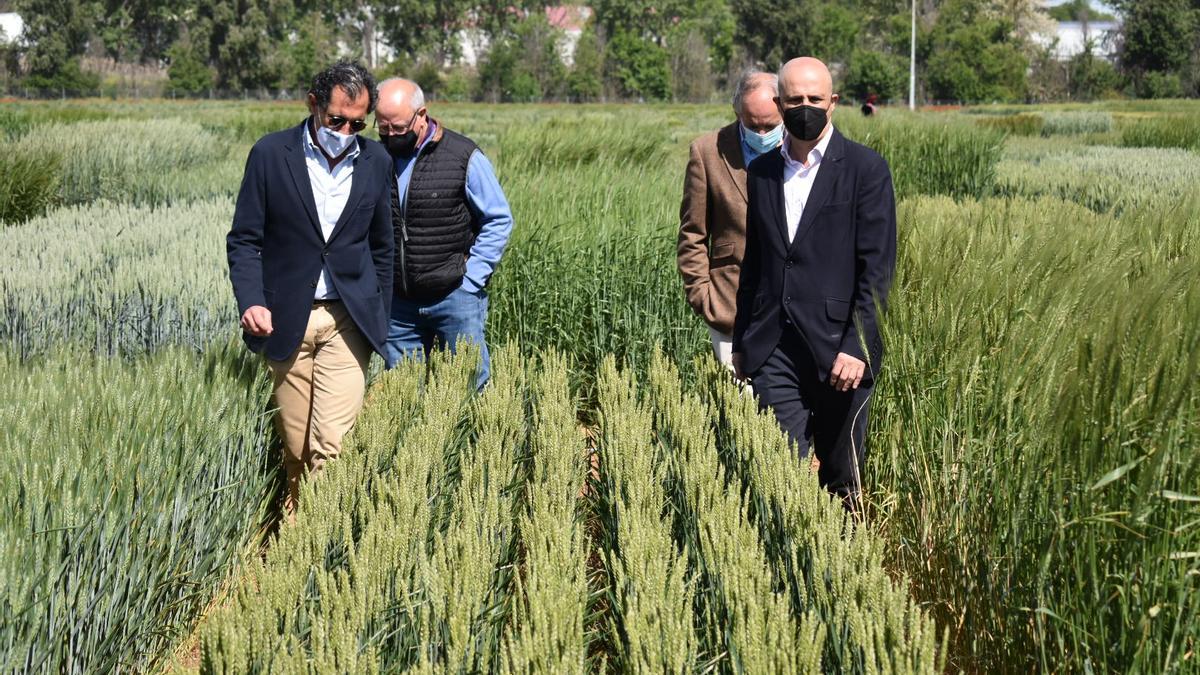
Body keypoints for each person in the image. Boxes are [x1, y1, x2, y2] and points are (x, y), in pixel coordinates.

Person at [227, 62, 394, 517]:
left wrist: (378, 313)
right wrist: (252, 301)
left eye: (358, 123)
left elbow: (383, 246)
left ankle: (315, 542)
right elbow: (244, 240)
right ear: (313, 103)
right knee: (297, 446)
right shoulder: (269, 154)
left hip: (347, 321)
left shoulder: (376, 161)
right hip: (286, 319)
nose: (345, 130)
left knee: (332, 446)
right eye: (336, 119)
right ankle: (298, 522)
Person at [732, 57, 897, 507]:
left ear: (834, 103)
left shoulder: (866, 170)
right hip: (774, 348)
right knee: (781, 474)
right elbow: (756, 262)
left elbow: (877, 270)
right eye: (795, 100)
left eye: (815, 99)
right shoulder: (763, 172)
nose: (805, 107)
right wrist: (743, 339)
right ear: (779, 103)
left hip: (840, 353)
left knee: (842, 479)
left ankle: (842, 570)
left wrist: (856, 346)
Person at [374, 78, 513, 389]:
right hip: (399, 306)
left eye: (397, 128)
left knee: (469, 387)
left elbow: (498, 219)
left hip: (454, 296)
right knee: (402, 394)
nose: (390, 136)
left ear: (421, 114)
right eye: (382, 128)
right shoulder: (376, 157)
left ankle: (478, 439)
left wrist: (472, 280)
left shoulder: (463, 156)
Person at [678, 71, 783, 373]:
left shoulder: (799, 149)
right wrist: (702, 296)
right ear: (737, 112)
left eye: (771, 125)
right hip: (728, 306)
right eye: (753, 125)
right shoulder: (707, 151)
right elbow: (692, 233)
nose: (762, 133)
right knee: (740, 407)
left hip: (789, 309)